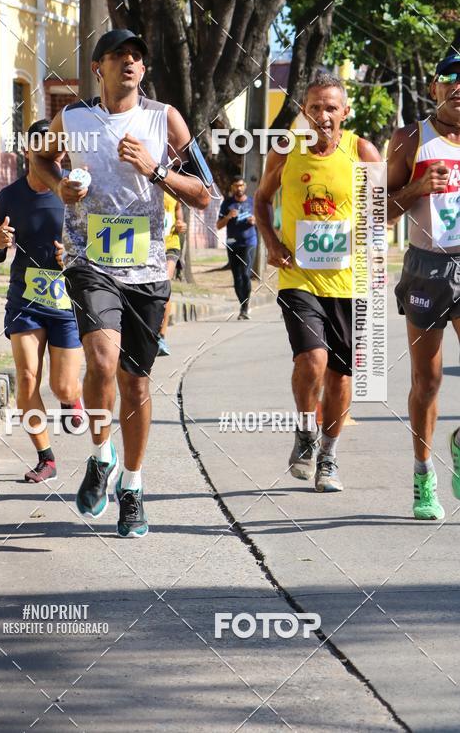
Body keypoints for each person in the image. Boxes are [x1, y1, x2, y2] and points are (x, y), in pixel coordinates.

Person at [29, 29, 212, 537]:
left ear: (143, 69)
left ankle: (131, 486)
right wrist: (58, 184)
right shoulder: (73, 119)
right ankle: (100, 454)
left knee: (135, 381)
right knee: (102, 360)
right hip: (91, 261)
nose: (129, 62)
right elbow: (40, 160)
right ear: (98, 68)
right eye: (118, 55)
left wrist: (155, 172)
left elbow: (203, 192)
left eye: (136, 55)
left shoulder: (164, 119)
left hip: (149, 269)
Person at [255, 72, 380, 492]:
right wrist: (271, 241)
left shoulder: (362, 151)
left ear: (345, 111)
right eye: (315, 107)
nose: (323, 115)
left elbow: (382, 211)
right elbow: (261, 200)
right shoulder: (286, 151)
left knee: (341, 377)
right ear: (304, 111)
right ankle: (305, 432)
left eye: (331, 107)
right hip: (298, 276)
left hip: (349, 282)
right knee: (313, 359)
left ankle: (328, 454)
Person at [0, 119, 85, 484]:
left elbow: (94, 248)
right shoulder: (8, 197)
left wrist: (71, 258)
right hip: (25, 301)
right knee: (27, 379)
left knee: (63, 386)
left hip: (67, 304)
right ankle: (46, 458)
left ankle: (72, 399)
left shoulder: (76, 193)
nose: (53, 157)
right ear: (28, 152)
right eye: (44, 150)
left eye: (58, 151)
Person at [387, 53, 460, 520]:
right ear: (434, 87)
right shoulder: (411, 138)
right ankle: (423, 474)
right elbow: (378, 210)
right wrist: (417, 188)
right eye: (450, 79)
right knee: (428, 381)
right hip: (426, 267)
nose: (459, 87)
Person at [217, 177, 258, 319]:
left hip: (249, 242)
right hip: (232, 243)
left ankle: (245, 308)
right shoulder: (227, 204)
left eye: (241, 185)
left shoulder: (252, 202)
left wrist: (255, 221)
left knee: (246, 274)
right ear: (232, 187)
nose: (239, 188)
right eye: (236, 186)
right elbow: (218, 225)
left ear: (245, 186)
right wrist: (228, 217)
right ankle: (243, 305)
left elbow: (263, 219)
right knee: (237, 277)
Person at [157, 192, 187, 356]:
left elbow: (178, 210)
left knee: (163, 284)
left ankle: (161, 336)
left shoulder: (171, 183)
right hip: (146, 245)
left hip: (170, 245)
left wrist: (181, 224)